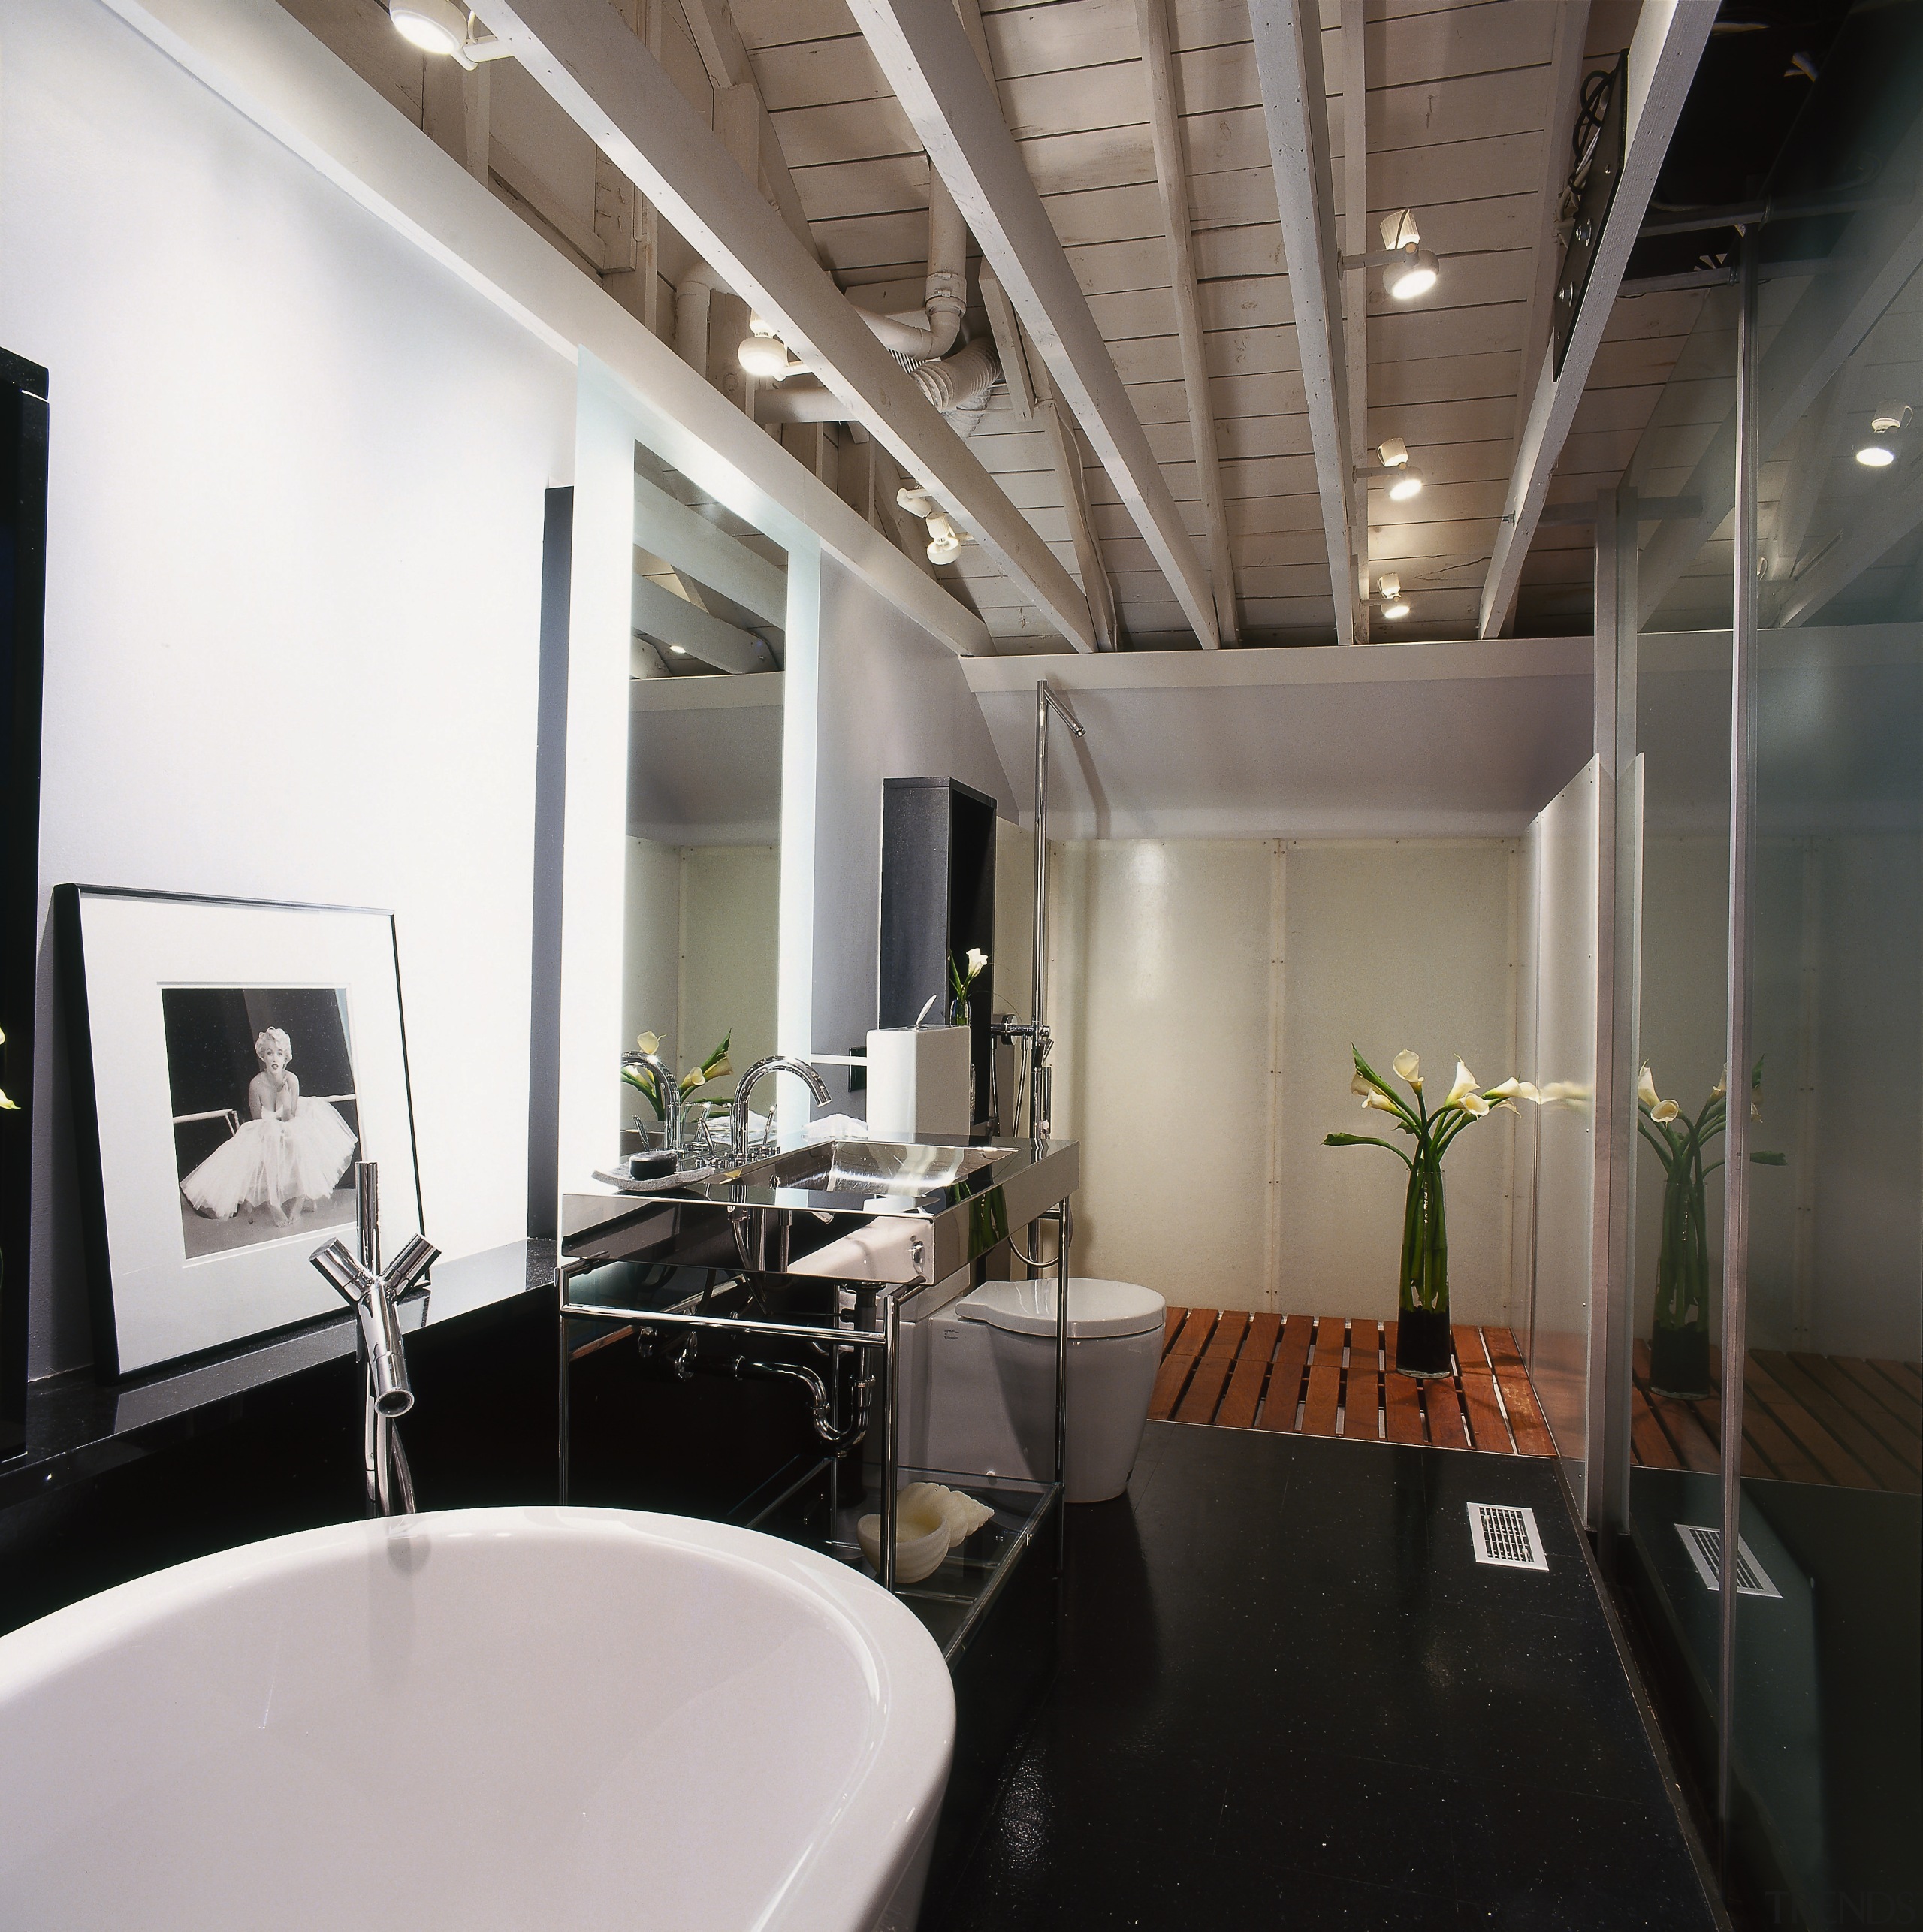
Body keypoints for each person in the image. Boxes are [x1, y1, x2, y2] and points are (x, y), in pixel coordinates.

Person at [179, 1027, 359, 1227]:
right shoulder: (256, 1084)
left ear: (286, 1058)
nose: (274, 1058)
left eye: (279, 1054)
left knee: (298, 1140)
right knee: (271, 1138)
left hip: (291, 1126)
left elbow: (290, 1118)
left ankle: (300, 1201)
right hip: (267, 1132)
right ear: (263, 1056)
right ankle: (274, 1202)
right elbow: (258, 1122)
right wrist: (273, 1127)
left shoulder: (291, 1080)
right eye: (270, 1053)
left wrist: (284, 1099)